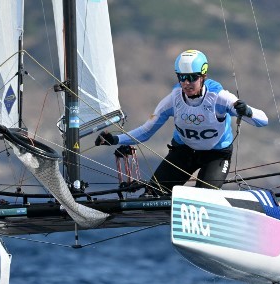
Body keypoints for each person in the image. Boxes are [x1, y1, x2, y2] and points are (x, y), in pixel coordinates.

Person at [95, 49, 268, 193]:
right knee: (153, 195)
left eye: (192, 77)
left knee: (204, 199)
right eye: (181, 77)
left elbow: (263, 121)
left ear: (203, 76)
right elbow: (146, 131)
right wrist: (115, 139)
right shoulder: (173, 100)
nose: (186, 83)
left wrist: (248, 111)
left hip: (216, 156)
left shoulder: (220, 98)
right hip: (184, 152)